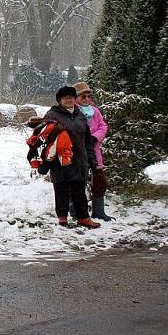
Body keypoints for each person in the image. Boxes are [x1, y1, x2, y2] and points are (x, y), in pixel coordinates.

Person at [43, 86, 100, 228]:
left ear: (75, 99)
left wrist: (91, 159)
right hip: (60, 160)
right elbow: (45, 139)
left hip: (79, 159)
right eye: (65, 97)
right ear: (59, 100)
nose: (69, 99)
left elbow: (87, 139)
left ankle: (83, 218)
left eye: (71, 97)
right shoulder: (52, 115)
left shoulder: (80, 115)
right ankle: (62, 217)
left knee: (79, 190)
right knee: (61, 189)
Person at [74, 82, 114, 221]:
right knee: (77, 182)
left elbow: (103, 126)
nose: (86, 99)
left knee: (99, 181)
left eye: (88, 96)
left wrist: (95, 137)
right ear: (76, 98)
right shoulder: (73, 112)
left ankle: (99, 211)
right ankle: (75, 211)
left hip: (94, 151)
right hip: (78, 153)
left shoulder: (95, 111)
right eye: (82, 97)